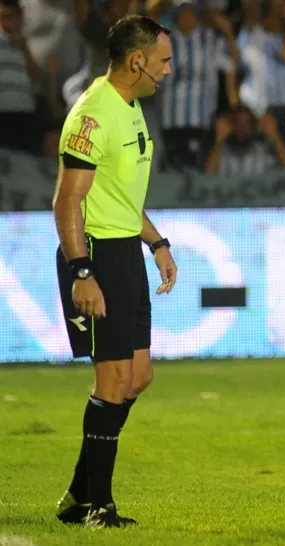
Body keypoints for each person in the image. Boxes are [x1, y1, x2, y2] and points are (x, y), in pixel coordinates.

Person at [52, 14, 176, 529]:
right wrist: (83, 272)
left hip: (126, 253)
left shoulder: (131, 107)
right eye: (164, 61)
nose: (168, 71)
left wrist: (157, 243)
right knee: (113, 379)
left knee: (137, 377)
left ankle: (80, 491)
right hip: (97, 257)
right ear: (137, 61)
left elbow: (121, 198)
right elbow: (67, 203)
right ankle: (96, 506)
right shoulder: (93, 114)